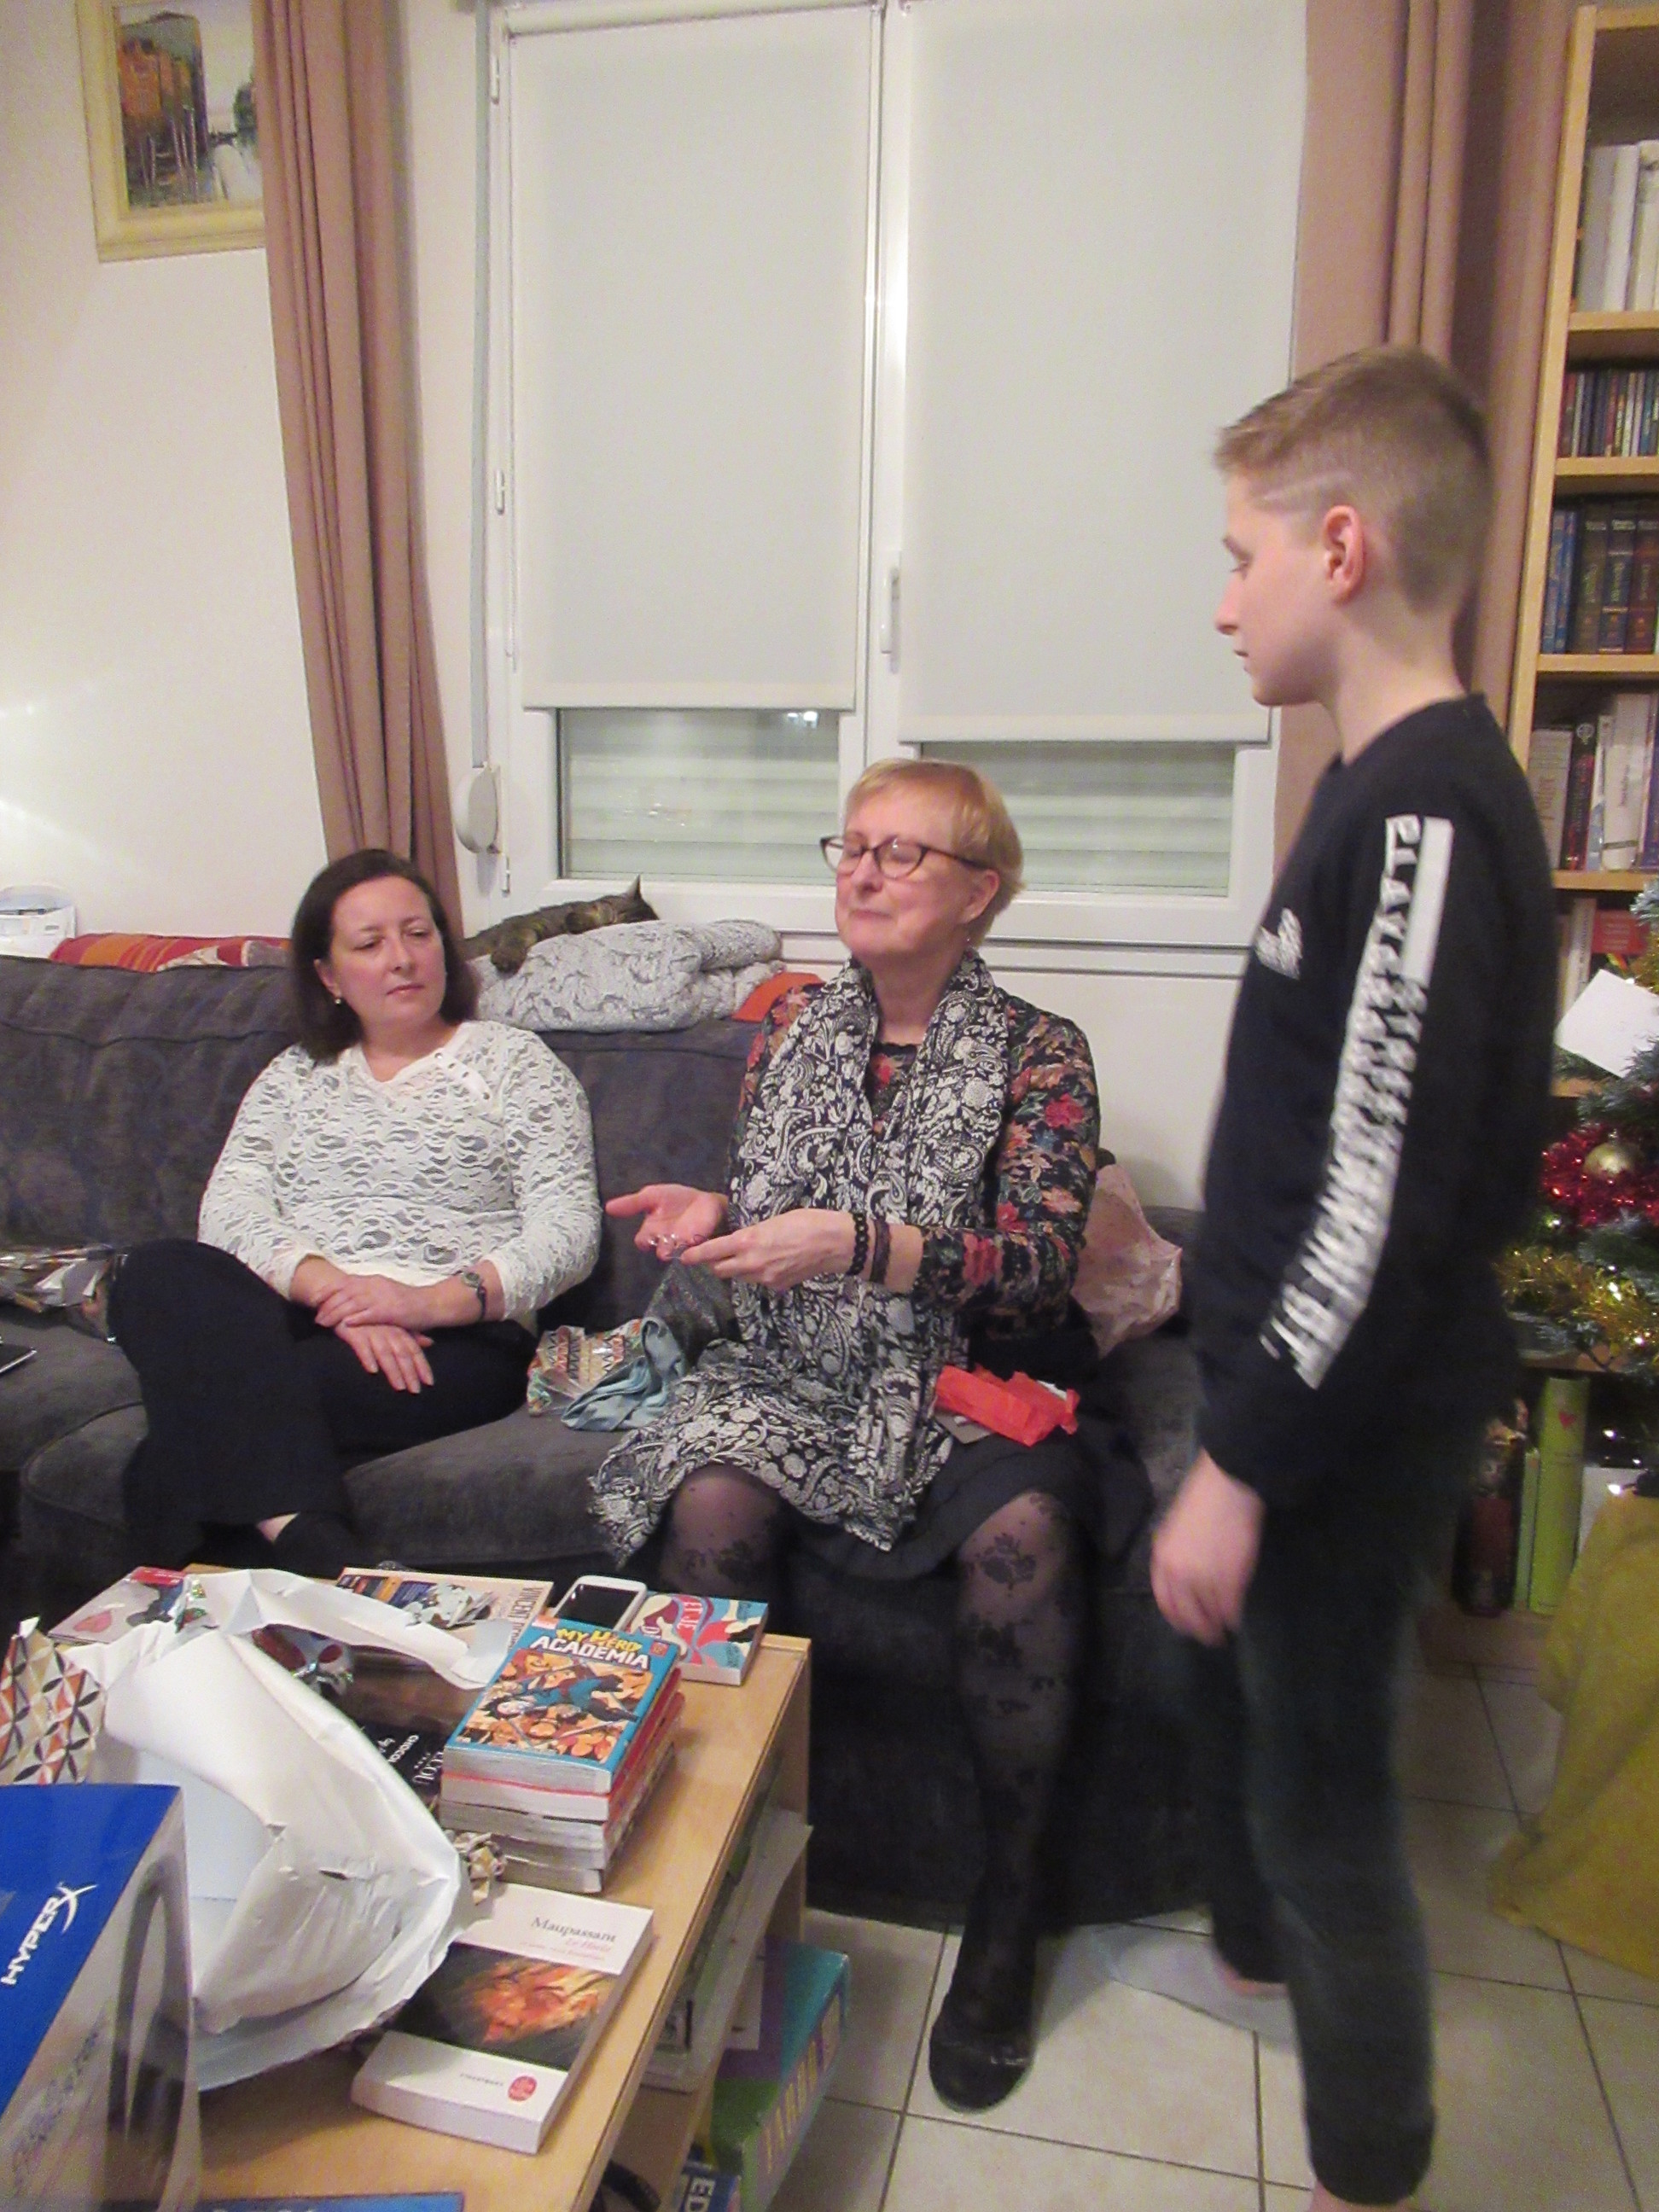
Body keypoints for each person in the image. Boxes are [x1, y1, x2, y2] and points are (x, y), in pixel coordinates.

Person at [589, 758, 1148, 2112]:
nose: (865, 871)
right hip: (797, 1363)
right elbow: (778, 1210)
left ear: (980, 892)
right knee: (709, 1500)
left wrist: (864, 1246)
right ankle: (710, 1865)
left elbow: (1038, 1264)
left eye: (905, 853)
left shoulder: (1041, 1050)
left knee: (1025, 1535)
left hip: (967, 1374)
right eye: (853, 846)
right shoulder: (790, 1027)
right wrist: (714, 1216)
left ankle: (1007, 1915)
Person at [1151, 347, 1556, 2211]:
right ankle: (1252, 1953)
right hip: (1284, 1384)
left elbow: (1375, 1198)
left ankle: (1368, 2170)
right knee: (1227, 1691)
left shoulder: (1422, 820)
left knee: (1327, 1801)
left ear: (1340, 547)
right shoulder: (1373, 785)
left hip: (1337, 1419)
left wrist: (1239, 1464)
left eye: (1239, 557)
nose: (1222, 602)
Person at [109, 849, 602, 1579]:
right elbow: (230, 1209)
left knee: (188, 1427)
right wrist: (338, 1295)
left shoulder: (516, 1064)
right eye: (370, 944)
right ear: (329, 977)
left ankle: (279, 1563)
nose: (402, 958)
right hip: (294, 1317)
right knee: (153, 1271)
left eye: (419, 934)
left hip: (452, 1337)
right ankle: (314, 1554)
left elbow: (568, 1232)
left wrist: (421, 1302)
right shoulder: (293, 1076)